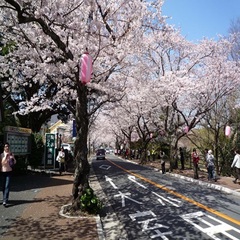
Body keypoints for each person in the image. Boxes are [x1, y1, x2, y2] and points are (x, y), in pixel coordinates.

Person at [1, 142, 16, 207]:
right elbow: (2, 163)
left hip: (9, 172)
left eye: (7, 146)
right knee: (3, 187)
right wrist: (6, 157)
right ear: (4, 148)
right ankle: (5, 197)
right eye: (5, 146)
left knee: (7, 186)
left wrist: (13, 157)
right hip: (2, 172)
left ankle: (5, 200)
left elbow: (14, 162)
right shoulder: (1, 155)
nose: (7, 147)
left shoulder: (11, 154)